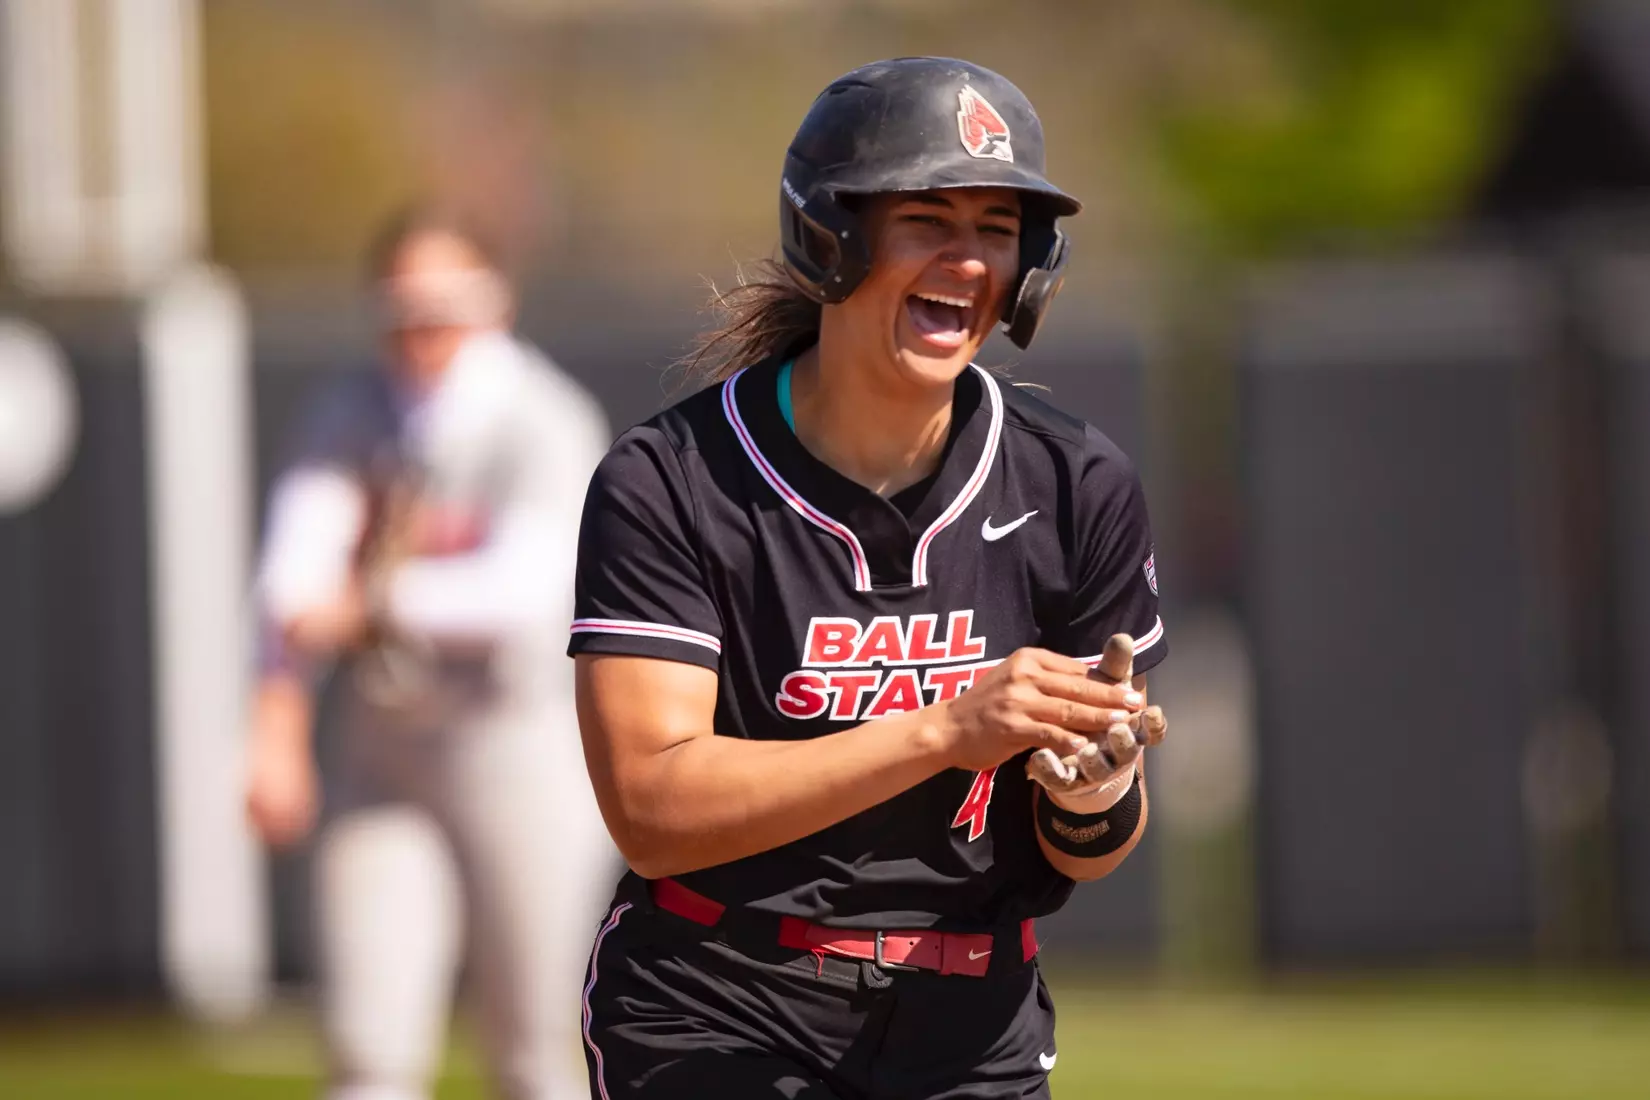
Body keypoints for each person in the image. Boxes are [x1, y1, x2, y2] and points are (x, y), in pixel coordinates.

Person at [568, 57, 1168, 1100]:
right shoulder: (673, 478)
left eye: (996, 226)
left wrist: (1092, 788)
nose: (968, 258)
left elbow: (1093, 845)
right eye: (927, 218)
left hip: (973, 1016)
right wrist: (944, 729)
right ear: (830, 234)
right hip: (720, 996)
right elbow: (651, 805)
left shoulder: (1076, 482)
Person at [245, 207, 617, 1100]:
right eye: (403, 301)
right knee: (368, 1045)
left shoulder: (542, 417)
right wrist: (274, 721)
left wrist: (366, 605)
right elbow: (293, 574)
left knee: (531, 1044)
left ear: (494, 300)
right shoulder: (355, 408)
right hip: (386, 751)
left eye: (445, 299)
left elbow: (524, 591)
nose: (422, 323)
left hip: (519, 747)